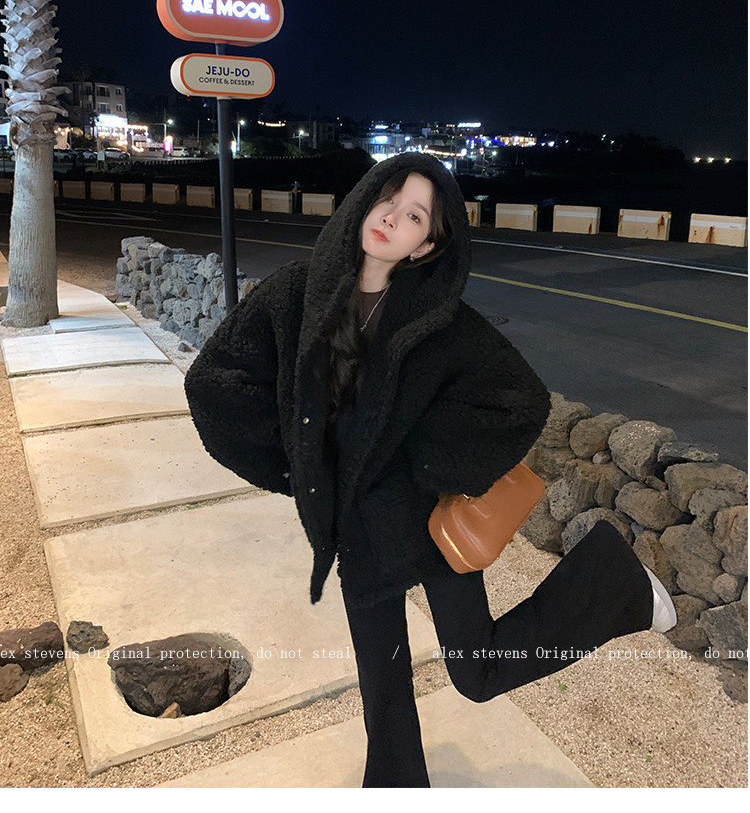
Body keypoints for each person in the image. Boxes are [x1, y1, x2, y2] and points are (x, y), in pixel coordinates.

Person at [184, 151, 676, 788]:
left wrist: (426, 460)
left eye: (415, 216)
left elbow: (520, 401)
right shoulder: (294, 294)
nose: (393, 217)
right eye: (388, 199)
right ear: (366, 200)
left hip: (429, 523)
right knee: (383, 690)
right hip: (358, 533)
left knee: (477, 672)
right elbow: (217, 383)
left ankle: (617, 579)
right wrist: (300, 464)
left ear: (426, 244)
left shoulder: (439, 320)